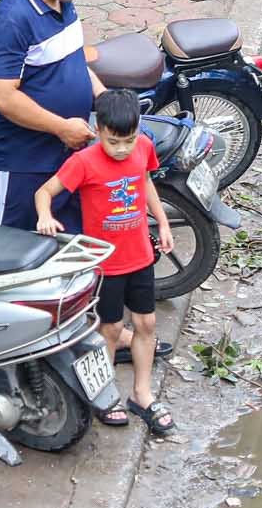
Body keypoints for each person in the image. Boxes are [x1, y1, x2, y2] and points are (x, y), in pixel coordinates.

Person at [34, 89, 176, 437]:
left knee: (146, 323)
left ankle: (141, 394)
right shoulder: (83, 161)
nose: (122, 149)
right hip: (105, 263)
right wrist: (44, 217)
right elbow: (45, 192)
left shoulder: (143, 147)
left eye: (127, 140)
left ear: (138, 130)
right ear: (98, 130)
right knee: (110, 329)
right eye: (114, 141)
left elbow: (145, 182)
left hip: (140, 255)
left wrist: (163, 221)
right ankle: (105, 394)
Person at [0, 0, 106, 234]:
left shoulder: (63, 1)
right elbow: (3, 97)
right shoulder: (11, 19)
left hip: (67, 156)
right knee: (15, 250)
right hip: (25, 162)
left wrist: (102, 96)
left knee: (66, 245)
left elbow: (73, 59)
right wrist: (62, 127)